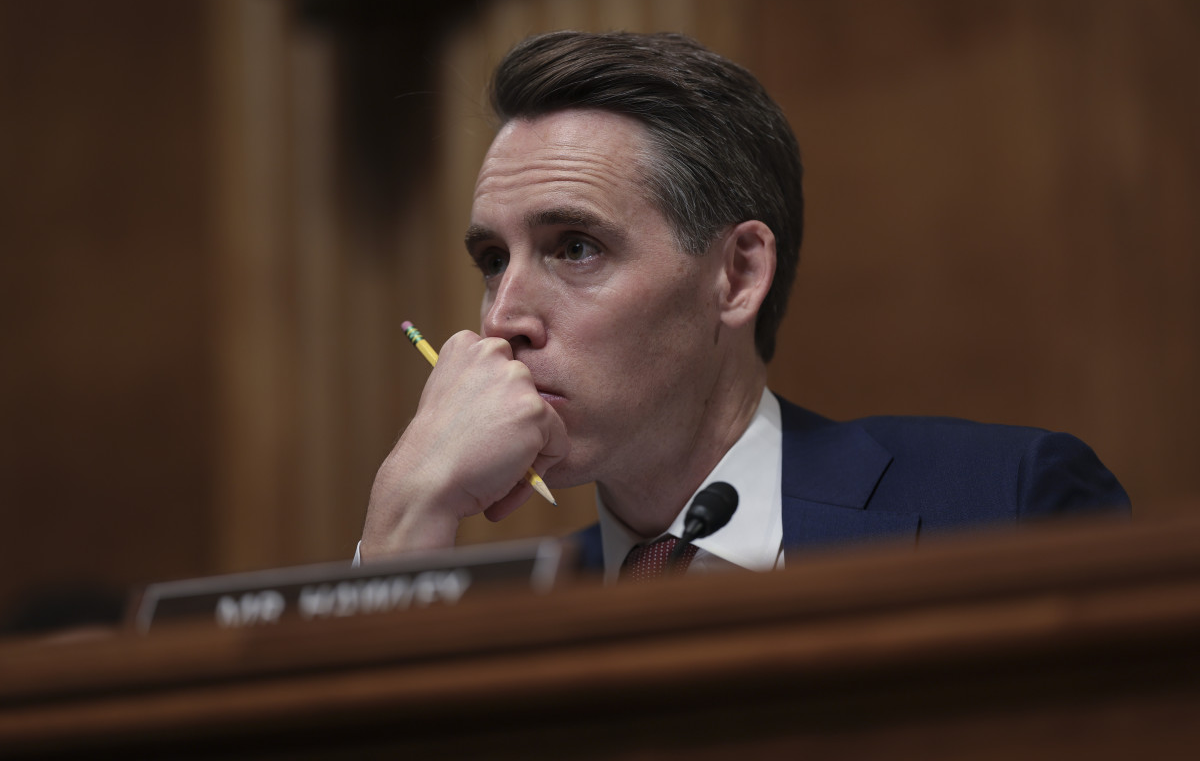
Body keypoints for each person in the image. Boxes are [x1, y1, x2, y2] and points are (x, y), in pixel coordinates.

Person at [359, 31, 1129, 581]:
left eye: (576, 247)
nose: (501, 321)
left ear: (737, 274)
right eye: (493, 261)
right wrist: (403, 520)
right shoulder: (519, 605)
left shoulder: (1007, 507)